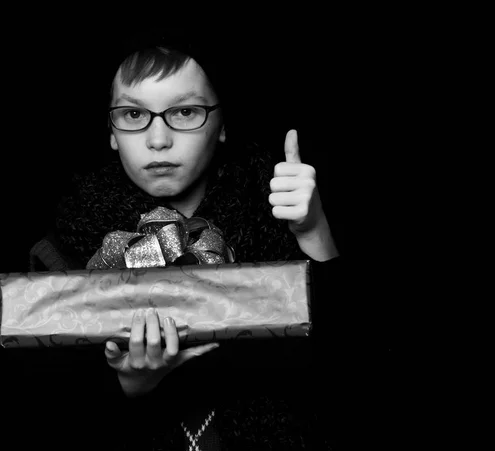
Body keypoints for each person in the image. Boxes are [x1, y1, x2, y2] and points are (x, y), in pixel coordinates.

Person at [22, 31, 344, 450]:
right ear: (111, 131)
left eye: (186, 112)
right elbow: (44, 414)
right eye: (135, 115)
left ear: (222, 124)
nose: (158, 140)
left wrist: (313, 232)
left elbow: (345, 371)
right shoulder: (62, 247)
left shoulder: (275, 212)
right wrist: (132, 384)